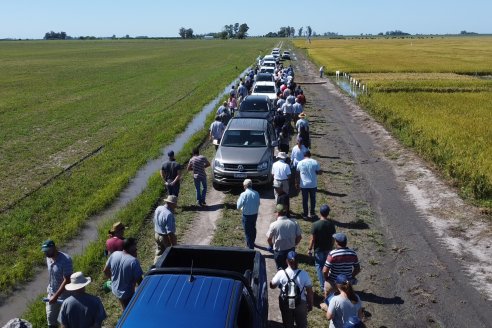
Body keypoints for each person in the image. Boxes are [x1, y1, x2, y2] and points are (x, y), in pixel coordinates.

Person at [270, 251, 314, 328]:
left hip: (285, 302)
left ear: (287, 261)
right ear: (298, 262)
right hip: (300, 302)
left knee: (287, 323)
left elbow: (272, 286)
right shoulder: (304, 274)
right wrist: (310, 304)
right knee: (301, 324)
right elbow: (310, 292)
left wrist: (273, 282)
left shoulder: (281, 273)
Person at [103, 238, 143, 310]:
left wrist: (112, 279)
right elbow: (140, 282)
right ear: (131, 248)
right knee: (129, 310)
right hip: (127, 293)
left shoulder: (115, 254)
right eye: (135, 247)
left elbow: (105, 270)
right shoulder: (133, 261)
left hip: (115, 289)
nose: (136, 248)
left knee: (123, 305)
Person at [42, 240, 73, 328]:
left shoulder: (66, 260)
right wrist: (52, 295)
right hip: (51, 292)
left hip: (65, 295)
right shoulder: (48, 258)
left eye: (48, 250)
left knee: (66, 320)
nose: (46, 253)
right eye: (45, 251)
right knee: (50, 318)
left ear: (54, 248)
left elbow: (67, 280)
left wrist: (56, 297)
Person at [308, 204, 336, 295]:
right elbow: (333, 238)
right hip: (328, 249)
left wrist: (309, 249)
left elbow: (312, 239)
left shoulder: (315, 225)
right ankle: (329, 284)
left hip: (318, 250)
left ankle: (322, 286)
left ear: (320, 213)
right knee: (327, 267)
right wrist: (331, 247)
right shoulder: (331, 225)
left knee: (319, 267)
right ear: (328, 213)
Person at [323, 233, 361, 299]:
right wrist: (351, 276)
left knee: (327, 294)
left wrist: (327, 278)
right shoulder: (353, 253)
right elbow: (357, 269)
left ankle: (328, 305)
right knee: (345, 298)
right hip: (346, 282)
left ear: (337, 242)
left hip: (333, 281)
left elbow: (324, 271)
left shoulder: (332, 254)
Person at [266, 204, 302, 270]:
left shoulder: (274, 225)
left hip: (279, 252)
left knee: (280, 270)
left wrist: (272, 246)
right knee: (291, 269)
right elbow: (299, 237)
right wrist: (294, 244)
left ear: (278, 213)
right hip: (291, 250)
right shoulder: (294, 222)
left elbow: (269, 239)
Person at [296, 150, 321, 219]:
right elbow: (319, 172)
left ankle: (305, 214)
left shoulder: (300, 163)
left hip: (304, 185)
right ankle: (312, 213)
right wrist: (316, 172)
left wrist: (297, 183)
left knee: (305, 200)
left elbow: (297, 174)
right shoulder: (315, 162)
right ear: (310, 155)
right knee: (313, 199)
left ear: (304, 156)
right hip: (313, 184)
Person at [153, 195, 178, 263]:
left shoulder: (159, 208)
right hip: (164, 237)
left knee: (159, 252)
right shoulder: (168, 214)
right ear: (171, 204)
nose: (176, 206)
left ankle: (155, 266)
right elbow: (170, 232)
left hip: (157, 234)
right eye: (175, 204)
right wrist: (174, 245)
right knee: (168, 254)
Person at [236, 179, 260, 249]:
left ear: (245, 186)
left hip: (246, 216)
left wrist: (242, 207)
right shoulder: (256, 193)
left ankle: (250, 248)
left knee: (247, 232)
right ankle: (252, 241)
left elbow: (238, 206)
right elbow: (258, 203)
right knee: (253, 229)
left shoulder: (243, 194)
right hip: (254, 215)